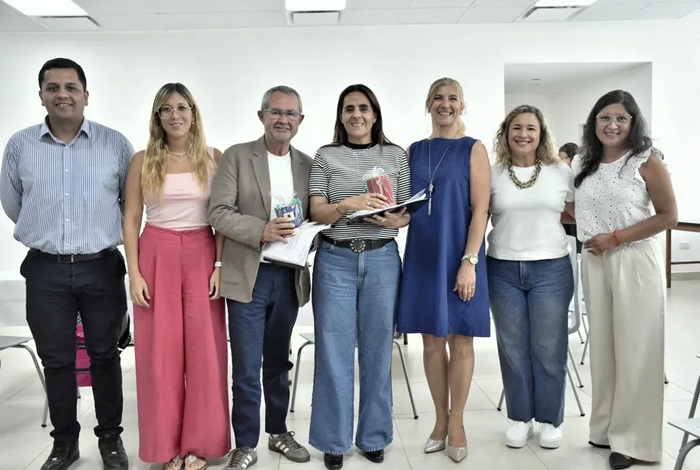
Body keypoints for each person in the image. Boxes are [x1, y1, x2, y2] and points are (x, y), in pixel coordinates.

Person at [0, 58, 132, 470]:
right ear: (40, 95)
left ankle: (110, 439)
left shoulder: (114, 144)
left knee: (105, 356)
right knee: (56, 360)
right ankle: (65, 443)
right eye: (53, 87)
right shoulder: (20, 145)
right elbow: (13, 203)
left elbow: (130, 205)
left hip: (102, 267)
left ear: (86, 95)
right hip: (45, 270)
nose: (62, 94)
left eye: (71, 87)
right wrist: (46, 233)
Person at [123, 83, 230, 470]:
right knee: (159, 356)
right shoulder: (143, 160)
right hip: (157, 252)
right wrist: (134, 273)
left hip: (202, 252)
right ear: (157, 117)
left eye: (182, 107)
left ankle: (200, 444)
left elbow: (222, 218)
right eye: (166, 109)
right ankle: (164, 446)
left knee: (205, 353)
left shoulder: (214, 157)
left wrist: (218, 265)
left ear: (193, 114)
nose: (175, 115)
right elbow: (131, 218)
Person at [308, 84, 411, 470]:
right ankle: (333, 440)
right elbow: (316, 211)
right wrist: (348, 204)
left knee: (378, 350)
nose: (357, 114)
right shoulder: (325, 156)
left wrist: (394, 219)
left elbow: (406, 213)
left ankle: (373, 436)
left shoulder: (396, 156)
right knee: (332, 352)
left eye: (364, 108)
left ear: (375, 114)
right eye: (349, 108)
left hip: (382, 259)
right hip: (335, 260)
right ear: (341, 115)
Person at [572, 90, 677, 470]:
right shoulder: (585, 162)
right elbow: (578, 208)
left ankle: (633, 442)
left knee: (636, 351)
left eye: (621, 118)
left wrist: (615, 238)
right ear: (594, 122)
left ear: (633, 122)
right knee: (604, 350)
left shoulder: (646, 160)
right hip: (595, 261)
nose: (612, 125)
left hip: (633, 260)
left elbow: (668, 215)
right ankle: (604, 429)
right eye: (605, 117)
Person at [209, 86, 312, 470]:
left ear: (300, 120)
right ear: (262, 116)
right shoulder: (237, 157)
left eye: (290, 113)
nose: (283, 119)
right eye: (276, 112)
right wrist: (261, 230)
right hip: (248, 276)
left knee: (278, 362)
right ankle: (246, 442)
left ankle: (278, 432)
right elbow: (218, 212)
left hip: (288, 278)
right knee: (247, 366)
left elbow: (314, 216)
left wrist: (311, 237)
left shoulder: (308, 165)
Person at [396, 77, 490, 463]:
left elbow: (481, 210)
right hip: (422, 255)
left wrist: (469, 261)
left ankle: (458, 423)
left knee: (460, 339)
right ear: (428, 104)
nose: (445, 104)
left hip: (460, 255)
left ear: (462, 106)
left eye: (453, 98)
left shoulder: (473, 149)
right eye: (438, 98)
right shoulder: (413, 151)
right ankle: (440, 419)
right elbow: (406, 208)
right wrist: (390, 220)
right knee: (431, 341)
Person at [487, 105, 575, 451]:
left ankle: (550, 420)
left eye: (531, 128)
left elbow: (578, 211)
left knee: (549, 348)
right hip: (503, 268)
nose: (523, 134)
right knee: (512, 348)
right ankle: (520, 418)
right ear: (506, 134)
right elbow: (477, 215)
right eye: (516, 128)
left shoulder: (560, 172)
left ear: (541, 135)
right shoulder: (493, 173)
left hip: (551, 268)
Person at [559, 143, 582, 252]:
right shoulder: (560, 176)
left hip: (577, 221)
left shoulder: (579, 178)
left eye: (563, 158)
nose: (561, 162)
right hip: (564, 220)